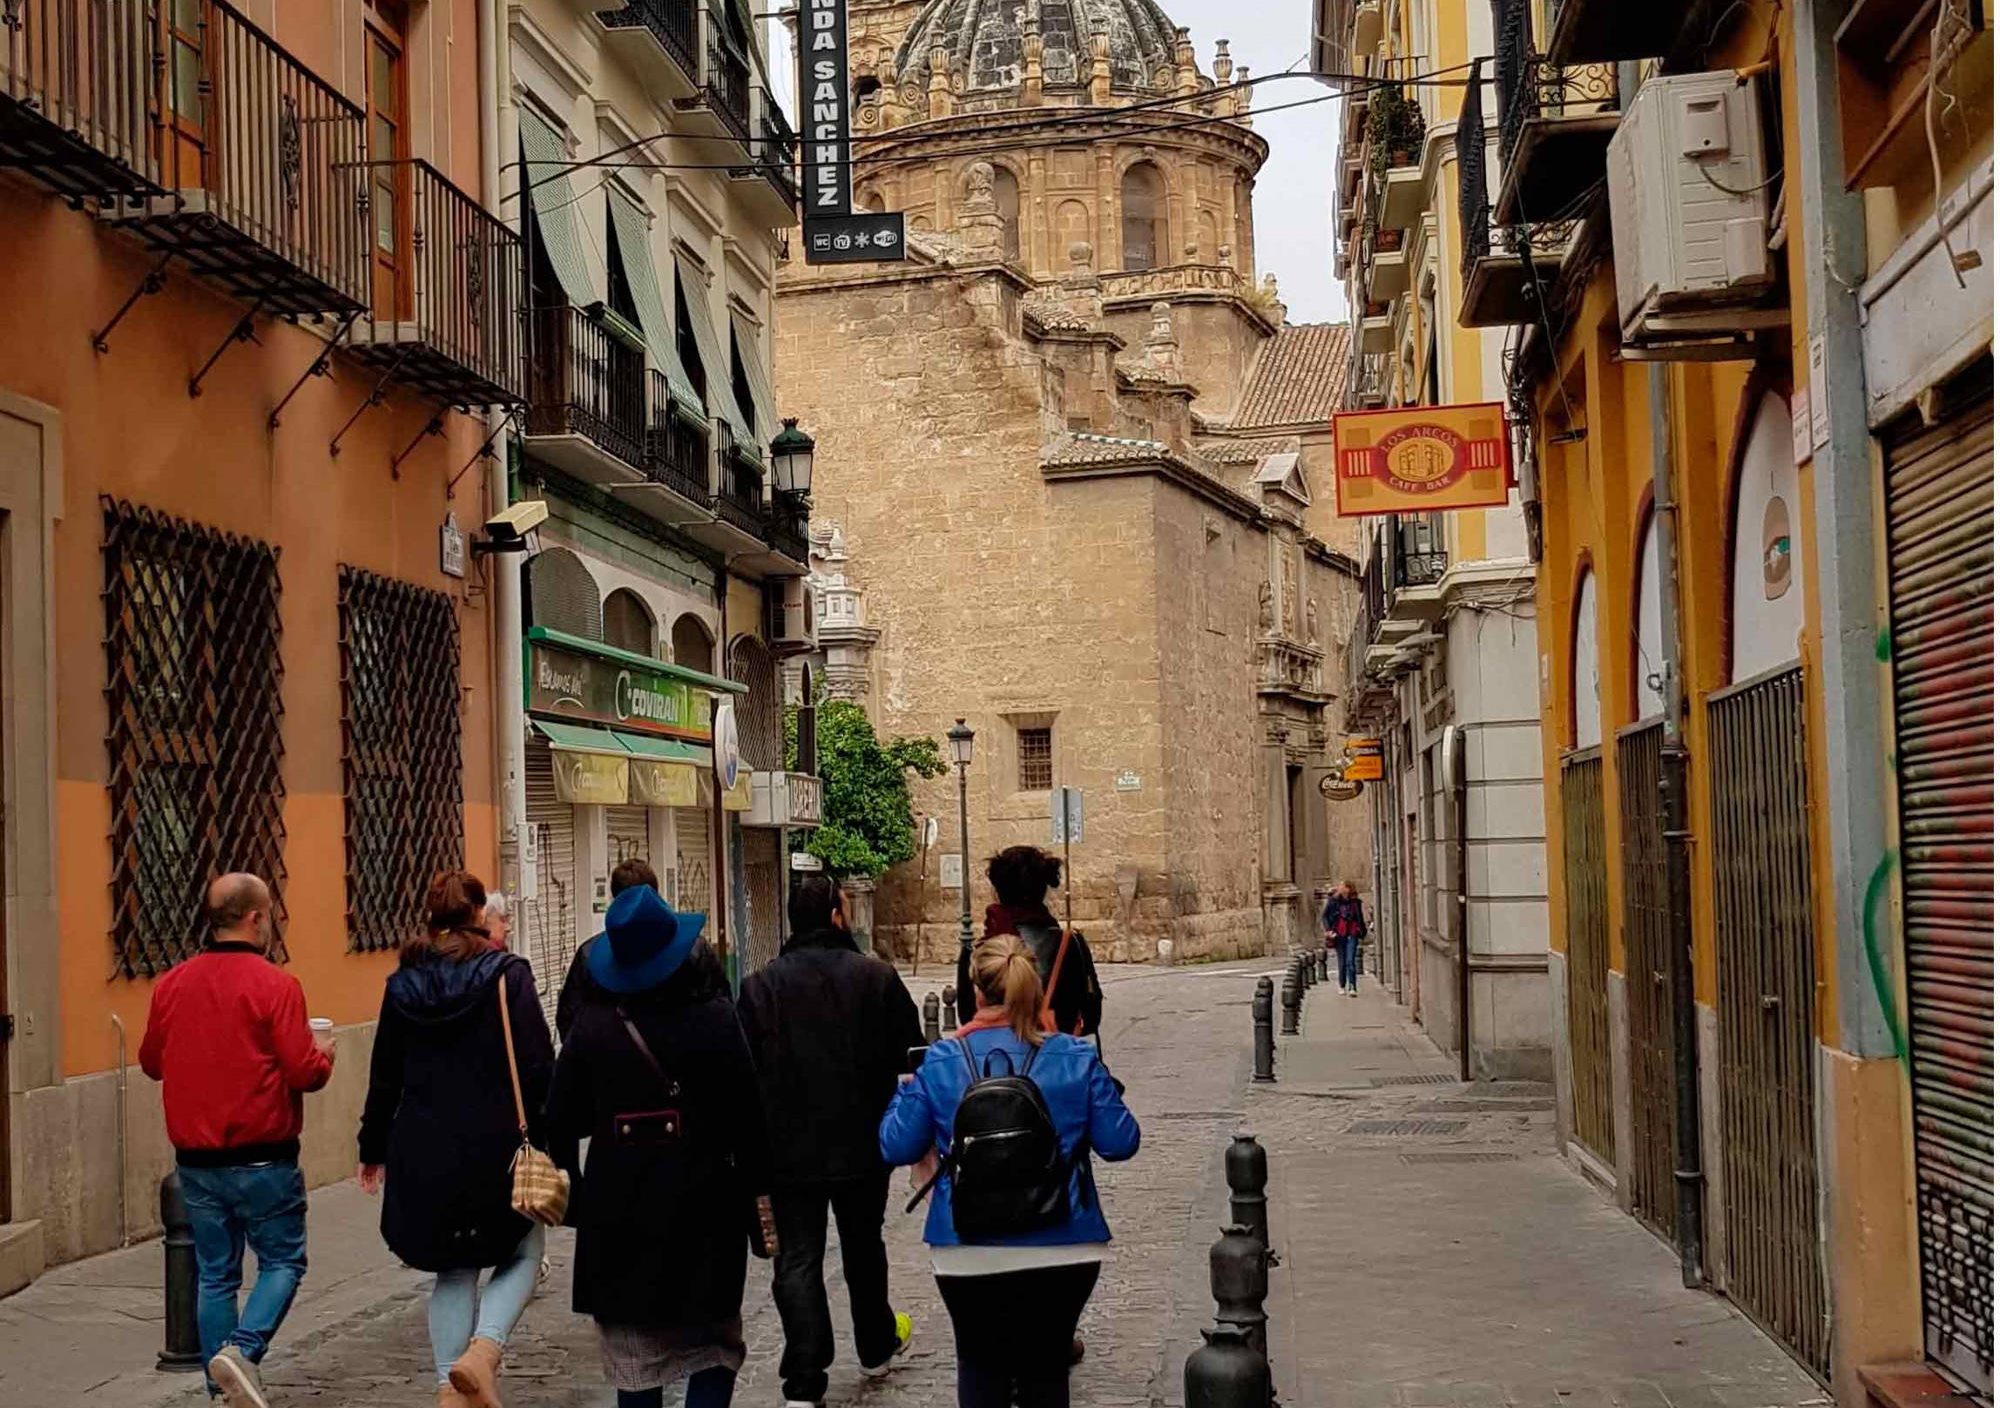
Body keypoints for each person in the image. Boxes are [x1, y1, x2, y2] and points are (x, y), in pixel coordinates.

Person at [882, 935, 1141, 1408]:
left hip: (967, 1246)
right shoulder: (1074, 1056)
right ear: (1033, 989)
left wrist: (910, 1085)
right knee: (1047, 1371)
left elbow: (895, 1144)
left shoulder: (942, 1061)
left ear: (974, 993)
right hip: (1063, 1241)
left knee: (979, 1366)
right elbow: (1120, 1142)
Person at [545, 884, 776, 1408]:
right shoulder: (716, 1018)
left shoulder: (593, 1028)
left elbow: (560, 1118)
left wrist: (575, 1197)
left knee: (635, 1359)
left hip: (618, 1214)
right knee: (714, 1345)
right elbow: (750, 1117)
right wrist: (760, 1199)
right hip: (706, 1207)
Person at [357, 870, 555, 1408]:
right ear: (477, 916)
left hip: (423, 1150)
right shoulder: (506, 977)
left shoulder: (401, 986)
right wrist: (550, 1138)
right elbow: (538, 1066)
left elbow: (385, 1076)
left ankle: (450, 1388)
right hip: (496, 1148)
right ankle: (482, 1352)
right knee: (523, 1247)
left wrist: (371, 1149)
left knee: (453, 1267)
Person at [138, 873, 334, 1408]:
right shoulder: (276, 985)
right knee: (283, 1262)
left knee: (215, 1276)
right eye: (269, 914)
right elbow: (304, 1071)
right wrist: (326, 1056)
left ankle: (218, 1387)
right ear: (255, 918)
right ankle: (242, 1352)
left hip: (197, 1160)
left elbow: (151, 1062)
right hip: (263, 1156)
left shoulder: (172, 984)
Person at [736, 875, 924, 1408]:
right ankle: (875, 1345)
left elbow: (743, 1073)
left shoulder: (759, 988)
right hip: (862, 1147)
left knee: (796, 1261)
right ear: (838, 917)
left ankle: (803, 1379)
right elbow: (911, 1056)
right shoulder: (877, 978)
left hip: (787, 1151)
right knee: (865, 1248)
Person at [955, 846, 1101, 1040]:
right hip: (1054, 1058)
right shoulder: (1070, 943)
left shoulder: (975, 951)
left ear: (998, 890)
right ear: (1042, 890)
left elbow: (967, 1016)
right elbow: (1091, 1016)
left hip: (990, 1063)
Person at [555, 857, 659, 1041]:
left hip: (605, 1062)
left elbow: (569, 1019)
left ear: (614, 900)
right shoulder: (688, 950)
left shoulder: (589, 955)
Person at [1323, 881, 1367, 996]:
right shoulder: (1333, 901)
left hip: (1352, 934)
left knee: (1350, 961)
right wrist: (1329, 930)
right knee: (1342, 962)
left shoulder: (1355, 902)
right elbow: (1325, 916)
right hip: (1339, 934)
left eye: (1342, 886)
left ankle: (1352, 986)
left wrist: (1361, 931)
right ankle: (1342, 985)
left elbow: (1359, 917)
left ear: (1348, 889)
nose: (1339, 887)